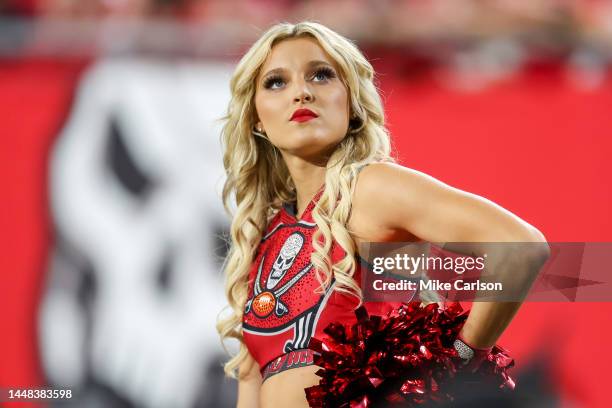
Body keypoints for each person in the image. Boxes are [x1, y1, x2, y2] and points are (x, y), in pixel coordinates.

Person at [216, 21, 549, 408]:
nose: (301, 92)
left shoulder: (370, 188)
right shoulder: (264, 234)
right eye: (276, 82)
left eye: (321, 75)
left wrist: (459, 361)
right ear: (256, 117)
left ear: (352, 102)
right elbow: (251, 387)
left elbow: (518, 248)